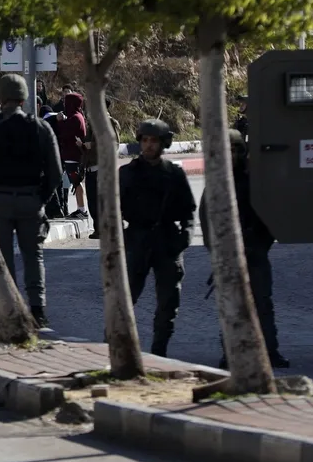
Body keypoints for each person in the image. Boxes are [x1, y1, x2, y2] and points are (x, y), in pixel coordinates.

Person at [0, 74, 63, 328]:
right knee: (34, 256)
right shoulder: (41, 128)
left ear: (0, 98)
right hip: (30, 199)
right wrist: (40, 198)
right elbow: (55, 172)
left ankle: (10, 310)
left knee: (3, 260)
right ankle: (37, 311)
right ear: (24, 97)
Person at [200, 130, 289, 369]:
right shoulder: (216, 183)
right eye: (227, 150)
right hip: (228, 255)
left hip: (256, 253)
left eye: (236, 149)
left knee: (262, 303)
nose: (232, 154)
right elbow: (207, 221)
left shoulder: (256, 183)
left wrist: (258, 245)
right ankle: (231, 352)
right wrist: (219, 251)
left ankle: (270, 351)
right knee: (231, 305)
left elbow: (271, 218)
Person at [119, 119, 197, 357]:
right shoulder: (127, 174)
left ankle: (158, 351)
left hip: (166, 241)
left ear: (164, 143)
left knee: (168, 303)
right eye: (145, 140)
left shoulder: (174, 174)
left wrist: (183, 239)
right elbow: (110, 210)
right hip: (137, 240)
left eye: (154, 141)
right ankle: (116, 349)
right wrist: (119, 239)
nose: (149, 145)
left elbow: (188, 211)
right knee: (124, 301)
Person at [83, 99, 122, 239]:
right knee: (93, 201)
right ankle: (98, 229)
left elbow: (114, 144)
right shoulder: (92, 123)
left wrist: (91, 146)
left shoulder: (111, 122)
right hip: (91, 167)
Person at [56, 90, 89, 218]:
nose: (64, 104)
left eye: (66, 101)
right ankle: (80, 208)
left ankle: (81, 210)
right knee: (75, 182)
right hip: (72, 155)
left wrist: (60, 121)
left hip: (72, 156)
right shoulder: (77, 116)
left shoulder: (75, 117)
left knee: (76, 182)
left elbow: (64, 133)